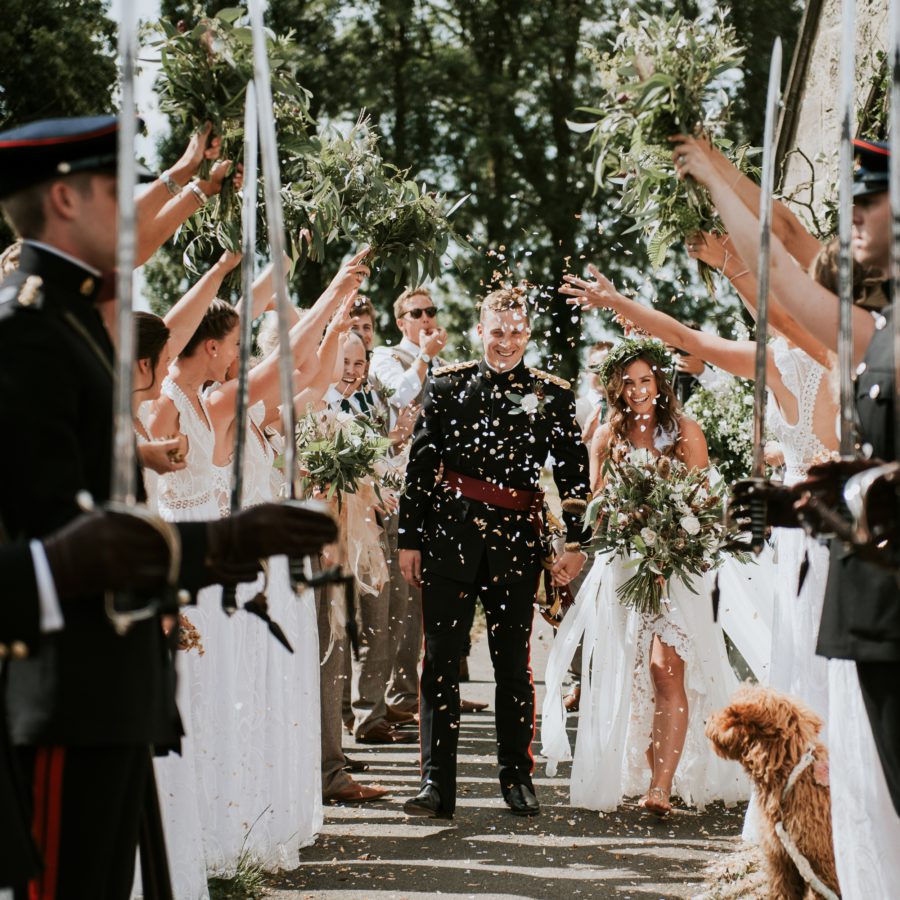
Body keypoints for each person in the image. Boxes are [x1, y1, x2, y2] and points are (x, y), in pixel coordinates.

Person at [0, 114, 338, 900]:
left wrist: (194, 179)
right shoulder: (28, 336)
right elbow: (63, 536)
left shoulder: (70, 322)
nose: (132, 212)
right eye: (119, 192)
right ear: (63, 199)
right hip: (61, 690)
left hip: (109, 685)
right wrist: (217, 544)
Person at [674, 132, 900, 897]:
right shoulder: (878, 337)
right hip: (869, 600)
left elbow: (787, 259)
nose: (855, 216)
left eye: (870, 200)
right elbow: (780, 284)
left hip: (889, 591)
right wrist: (710, 177)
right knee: (874, 788)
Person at [398, 287, 590, 819]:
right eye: (496, 331)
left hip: (515, 548)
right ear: (480, 330)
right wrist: (408, 539)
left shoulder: (551, 395)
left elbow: (575, 474)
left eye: (515, 331)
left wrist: (575, 541)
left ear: (527, 333)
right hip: (447, 541)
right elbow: (420, 468)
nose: (506, 341)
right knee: (439, 663)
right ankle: (435, 783)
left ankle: (516, 779)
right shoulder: (446, 386)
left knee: (513, 666)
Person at [541, 338, 747, 817]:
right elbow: (596, 511)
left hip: (678, 567)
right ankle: (647, 768)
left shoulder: (686, 432)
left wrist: (673, 533)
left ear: (661, 383)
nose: (637, 391)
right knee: (633, 674)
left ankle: (661, 784)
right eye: (628, 382)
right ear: (616, 387)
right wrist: (583, 546)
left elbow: (706, 504)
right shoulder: (605, 437)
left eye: (646, 380)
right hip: (625, 568)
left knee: (665, 669)